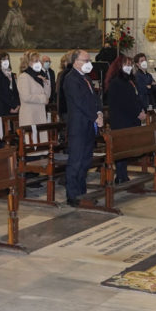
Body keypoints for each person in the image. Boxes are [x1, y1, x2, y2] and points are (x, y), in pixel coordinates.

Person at [63, 49, 103, 206]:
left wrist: (99, 112)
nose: (89, 63)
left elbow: (95, 99)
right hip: (78, 126)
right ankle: (72, 195)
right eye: (86, 61)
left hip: (89, 125)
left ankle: (81, 192)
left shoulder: (86, 77)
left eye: (89, 60)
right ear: (76, 62)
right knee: (76, 161)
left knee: (86, 162)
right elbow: (80, 102)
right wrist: (95, 116)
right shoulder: (71, 79)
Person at [107, 55, 146, 183]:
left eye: (130, 65)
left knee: (127, 148)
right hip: (121, 119)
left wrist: (141, 110)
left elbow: (135, 98)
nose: (129, 67)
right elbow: (123, 102)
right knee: (121, 148)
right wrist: (137, 113)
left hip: (130, 118)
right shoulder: (116, 82)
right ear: (119, 66)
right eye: (126, 65)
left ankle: (123, 174)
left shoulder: (130, 80)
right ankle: (120, 175)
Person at [16, 51, 51, 130]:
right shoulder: (24, 77)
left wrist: (46, 82)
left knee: (42, 140)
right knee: (32, 140)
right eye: (36, 61)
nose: (39, 63)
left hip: (40, 113)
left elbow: (47, 95)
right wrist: (43, 99)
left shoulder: (39, 76)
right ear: (28, 63)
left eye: (39, 61)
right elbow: (26, 97)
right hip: (30, 115)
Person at [0, 52, 20, 117]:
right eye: (3, 59)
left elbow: (15, 91)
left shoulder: (11, 74)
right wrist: (10, 106)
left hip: (14, 108)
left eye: (7, 59)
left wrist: (17, 105)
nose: (6, 61)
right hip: (2, 108)